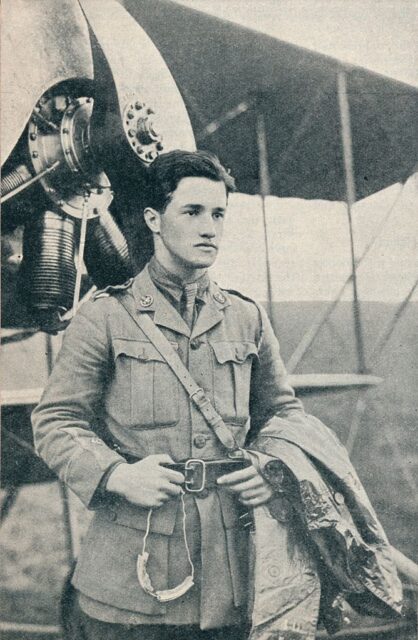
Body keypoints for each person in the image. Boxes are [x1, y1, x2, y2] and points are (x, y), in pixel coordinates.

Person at [32, 150, 401, 640]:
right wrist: (116, 474)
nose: (210, 228)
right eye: (192, 212)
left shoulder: (246, 318)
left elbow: (283, 415)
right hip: (131, 579)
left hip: (235, 578)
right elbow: (56, 420)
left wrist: (272, 470)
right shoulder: (105, 317)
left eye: (219, 214)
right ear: (153, 220)